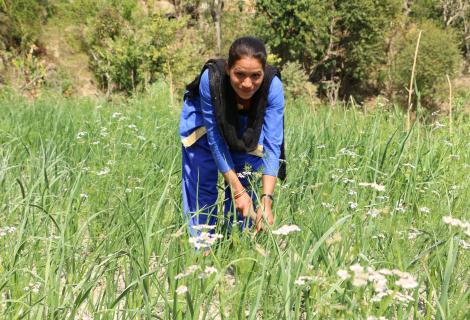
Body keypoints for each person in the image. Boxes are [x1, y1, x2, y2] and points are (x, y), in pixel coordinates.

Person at [179, 36, 285, 239]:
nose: (247, 83)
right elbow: (215, 140)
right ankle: (202, 252)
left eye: (255, 76)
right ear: (228, 69)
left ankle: (236, 245)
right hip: (203, 128)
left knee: (246, 179)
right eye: (239, 74)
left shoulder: (273, 87)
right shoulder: (211, 80)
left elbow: (273, 146)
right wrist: (236, 190)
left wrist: (266, 200)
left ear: (264, 72)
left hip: (246, 124)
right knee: (203, 186)